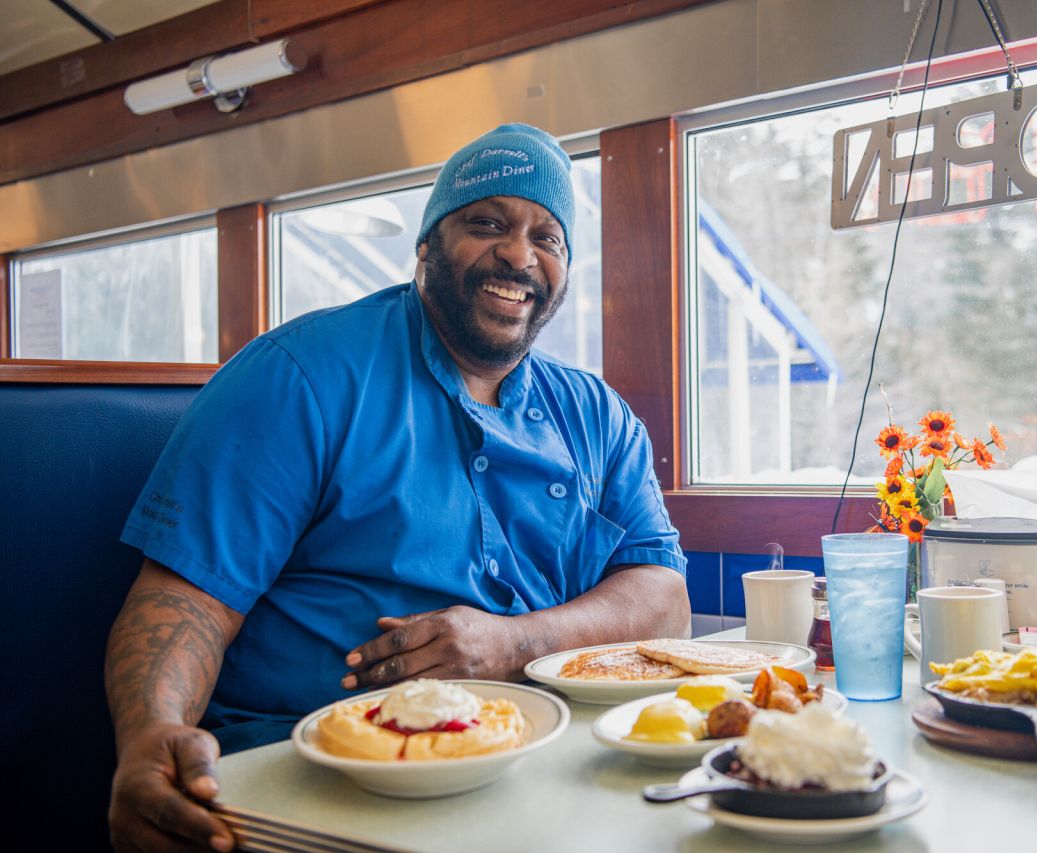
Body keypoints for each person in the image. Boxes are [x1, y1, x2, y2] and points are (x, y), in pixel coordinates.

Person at [104, 123, 690, 852]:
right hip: (306, 782)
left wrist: (514, 643)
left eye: (549, 237)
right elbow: (180, 601)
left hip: (536, 776)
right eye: (487, 223)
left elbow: (665, 599)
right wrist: (151, 735)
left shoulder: (598, 416)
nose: (519, 253)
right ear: (425, 247)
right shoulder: (299, 376)